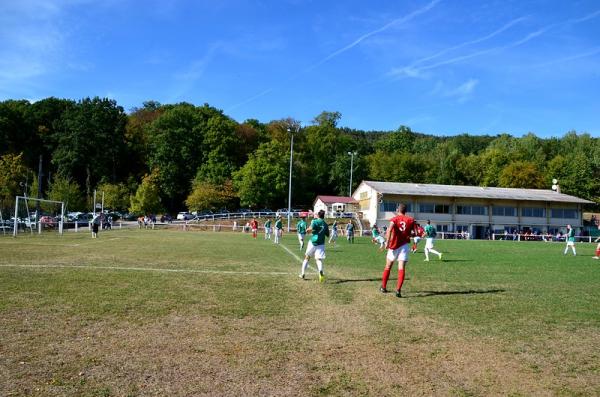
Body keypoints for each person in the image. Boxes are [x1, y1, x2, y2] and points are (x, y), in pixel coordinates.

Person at [381, 203, 417, 298]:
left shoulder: (394, 219)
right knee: (401, 268)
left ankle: (383, 287)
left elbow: (389, 230)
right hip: (404, 245)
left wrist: (387, 242)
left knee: (388, 266)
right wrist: (408, 234)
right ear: (405, 211)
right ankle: (398, 290)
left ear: (398, 210)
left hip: (394, 245)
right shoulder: (410, 220)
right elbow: (415, 233)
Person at [300, 210, 330, 282]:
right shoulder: (325, 224)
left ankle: (303, 274)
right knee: (318, 259)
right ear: (324, 216)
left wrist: (308, 229)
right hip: (321, 243)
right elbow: (328, 235)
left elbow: (309, 230)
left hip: (313, 242)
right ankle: (320, 271)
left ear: (319, 215)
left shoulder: (315, 221)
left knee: (307, 257)